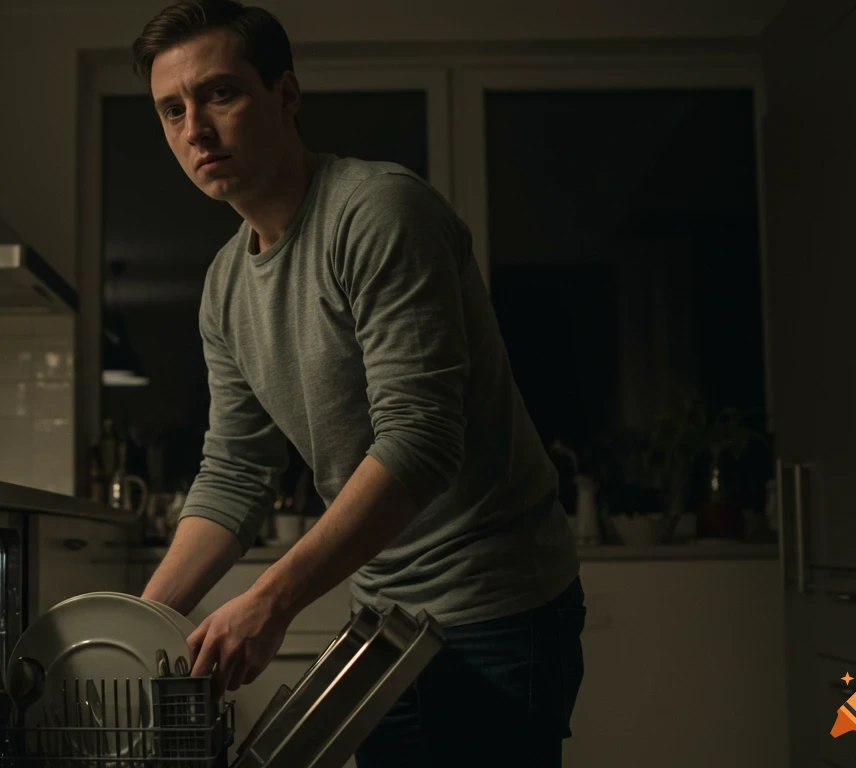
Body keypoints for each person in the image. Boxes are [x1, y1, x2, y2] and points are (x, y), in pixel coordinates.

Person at [130, 1, 586, 764]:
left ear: (286, 95)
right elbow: (236, 471)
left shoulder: (377, 212)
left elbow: (420, 441)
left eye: (219, 94)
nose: (194, 130)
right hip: (383, 618)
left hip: (496, 606)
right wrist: (137, 625)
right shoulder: (224, 286)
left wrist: (270, 599)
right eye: (171, 110)